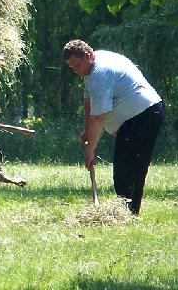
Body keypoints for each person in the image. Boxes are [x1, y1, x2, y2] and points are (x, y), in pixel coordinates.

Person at [63, 39, 164, 215]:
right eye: (71, 67)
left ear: (87, 56)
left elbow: (99, 117)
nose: (76, 71)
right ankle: (127, 211)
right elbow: (88, 101)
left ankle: (128, 214)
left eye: (77, 65)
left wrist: (90, 152)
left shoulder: (100, 73)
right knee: (125, 168)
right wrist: (87, 130)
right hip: (138, 117)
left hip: (143, 115)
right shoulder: (91, 69)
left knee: (129, 170)